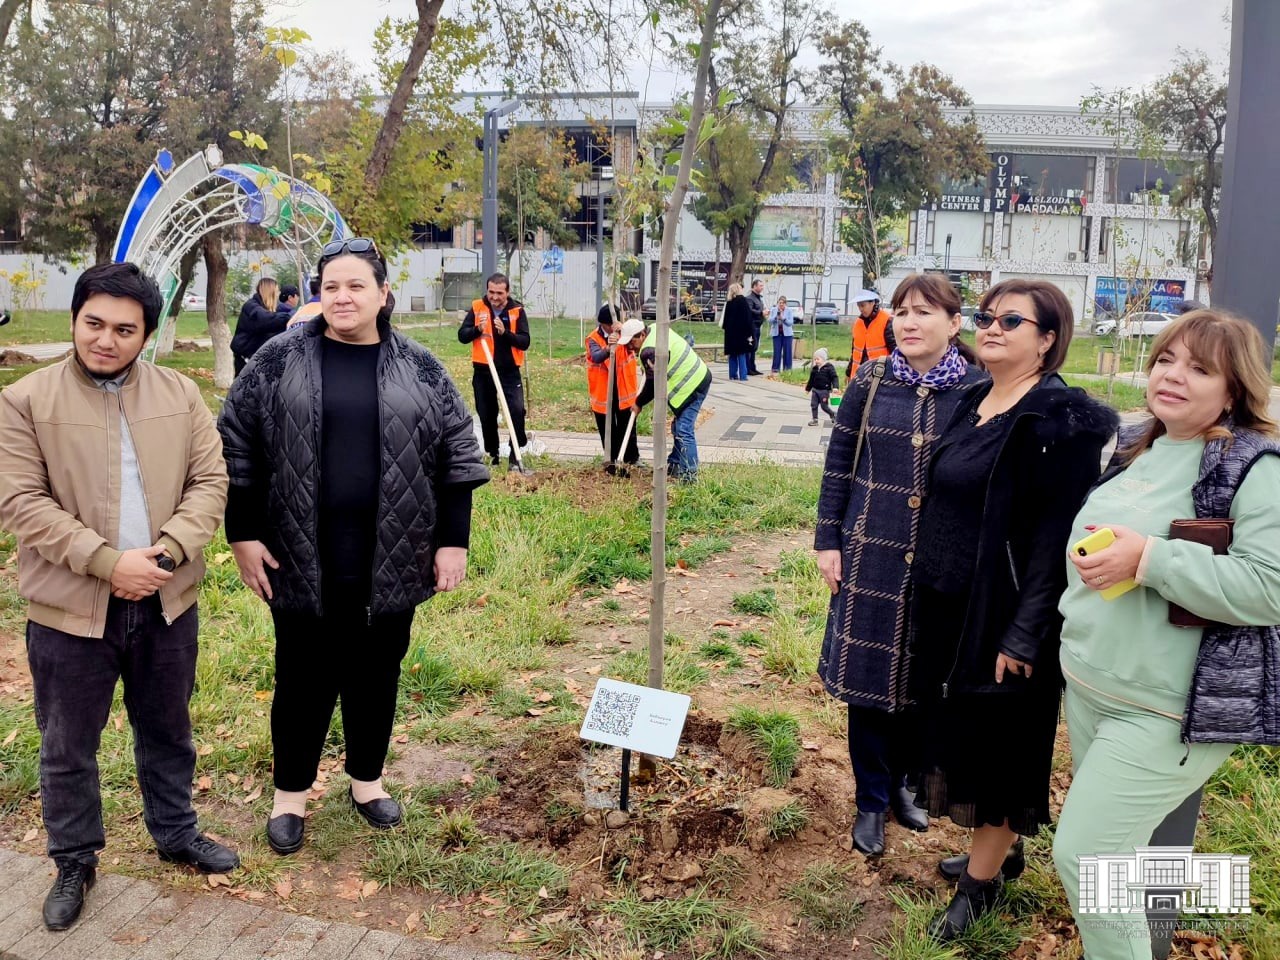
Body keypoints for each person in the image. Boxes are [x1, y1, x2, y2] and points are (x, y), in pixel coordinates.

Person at [218, 237, 489, 857]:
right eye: (331, 287)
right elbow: (238, 447)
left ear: (383, 293)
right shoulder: (278, 360)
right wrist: (242, 534)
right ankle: (290, 796)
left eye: (356, 285)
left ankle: (367, 781)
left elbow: (457, 457)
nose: (342, 297)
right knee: (301, 678)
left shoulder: (420, 368)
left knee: (376, 674)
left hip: (393, 554)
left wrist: (453, 542)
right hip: (298, 555)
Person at [0, 262, 237, 932]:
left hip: (165, 598)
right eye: (94, 323)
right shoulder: (26, 400)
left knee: (167, 728)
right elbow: (21, 502)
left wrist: (168, 552)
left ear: (147, 334)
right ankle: (74, 859)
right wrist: (108, 564)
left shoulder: (180, 394)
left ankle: (175, 832)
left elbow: (210, 481)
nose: (105, 340)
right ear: (76, 319)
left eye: (124, 330)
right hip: (69, 609)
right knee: (67, 744)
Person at [1053, 310, 1280, 960]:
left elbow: (1269, 587)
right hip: (1093, 687)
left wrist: (1149, 559)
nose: (1172, 376)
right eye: (1164, 360)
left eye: (1199, 368)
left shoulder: (1254, 467)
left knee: (1085, 854)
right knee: (1118, 862)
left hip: (1167, 709)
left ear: (1234, 389)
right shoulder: (1140, 445)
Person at [909, 279, 1118, 941]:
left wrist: (1025, 633)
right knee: (963, 737)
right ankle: (1000, 852)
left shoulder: (1061, 421)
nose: (991, 329)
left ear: (1047, 339)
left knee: (999, 752)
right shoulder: (975, 397)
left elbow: (1056, 539)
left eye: (1010, 321)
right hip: (950, 604)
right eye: (986, 317)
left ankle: (979, 889)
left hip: (1005, 615)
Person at [816, 273, 986, 859]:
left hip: (941, 562)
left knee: (922, 680)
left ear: (954, 324)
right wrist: (828, 540)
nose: (908, 322)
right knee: (867, 684)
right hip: (870, 553)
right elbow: (840, 462)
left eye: (923, 312)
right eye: (902, 311)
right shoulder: (871, 380)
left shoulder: (978, 390)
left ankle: (905, 788)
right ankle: (870, 799)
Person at [626, 318, 712, 482]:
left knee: (683, 430)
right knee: (678, 427)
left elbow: (653, 384)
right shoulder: (654, 329)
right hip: (697, 377)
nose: (630, 347)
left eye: (632, 342)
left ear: (642, 334)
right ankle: (674, 465)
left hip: (692, 384)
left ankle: (689, 476)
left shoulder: (649, 351)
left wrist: (638, 403)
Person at [458, 272, 530, 468]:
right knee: (486, 414)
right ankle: (493, 454)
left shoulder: (517, 311)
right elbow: (462, 336)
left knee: (516, 410)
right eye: (491, 292)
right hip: (483, 371)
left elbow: (525, 341)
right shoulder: (477, 307)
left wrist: (505, 333)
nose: (494, 297)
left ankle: (515, 452)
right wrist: (477, 330)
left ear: (507, 292)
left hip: (509, 371)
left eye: (499, 293)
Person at [586, 303, 641, 467]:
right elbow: (596, 357)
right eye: (609, 325)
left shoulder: (624, 333)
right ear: (603, 324)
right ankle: (611, 460)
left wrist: (623, 332)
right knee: (607, 427)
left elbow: (635, 346)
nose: (612, 328)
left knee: (628, 425)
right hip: (603, 392)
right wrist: (608, 347)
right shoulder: (593, 338)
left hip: (624, 389)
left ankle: (632, 459)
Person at [231, 277, 289, 375]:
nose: (278, 294)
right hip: (245, 360)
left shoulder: (265, 308)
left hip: (257, 358)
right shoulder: (251, 307)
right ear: (270, 292)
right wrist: (288, 317)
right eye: (277, 291)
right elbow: (267, 320)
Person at [847, 288, 895, 379]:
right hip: (858, 376)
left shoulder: (886, 320)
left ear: (872, 303)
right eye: (858, 306)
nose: (860, 309)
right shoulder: (858, 323)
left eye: (863, 305)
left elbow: (895, 351)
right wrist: (848, 373)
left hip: (880, 376)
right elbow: (855, 351)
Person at [722, 282, 754, 381]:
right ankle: (743, 375)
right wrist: (750, 331)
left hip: (730, 333)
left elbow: (725, 319)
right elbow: (747, 317)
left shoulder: (729, 302)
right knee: (741, 354)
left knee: (732, 354)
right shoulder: (742, 301)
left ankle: (733, 375)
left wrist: (726, 329)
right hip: (741, 332)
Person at [803, 347, 840, 425]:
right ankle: (815, 420)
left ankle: (833, 414)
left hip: (824, 391)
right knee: (813, 404)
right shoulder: (815, 369)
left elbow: (834, 377)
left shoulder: (829, 368)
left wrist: (835, 387)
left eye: (818, 359)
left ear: (823, 359)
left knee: (824, 406)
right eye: (815, 359)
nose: (816, 361)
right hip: (815, 390)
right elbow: (811, 380)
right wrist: (808, 389)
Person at [767, 295, 795, 376]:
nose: (781, 304)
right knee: (777, 351)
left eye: (783, 303)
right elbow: (769, 320)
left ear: (785, 304)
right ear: (778, 303)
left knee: (787, 352)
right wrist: (776, 317)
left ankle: (787, 368)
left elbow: (790, 323)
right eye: (780, 303)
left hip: (787, 335)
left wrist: (783, 319)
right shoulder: (774, 309)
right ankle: (775, 368)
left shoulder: (789, 310)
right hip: (777, 334)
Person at [745, 279, 766, 375]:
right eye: (760, 286)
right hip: (751, 326)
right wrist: (761, 313)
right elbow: (749, 310)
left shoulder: (759, 298)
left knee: (754, 347)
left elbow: (759, 309)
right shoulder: (749, 298)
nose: (762, 287)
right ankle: (748, 368)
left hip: (758, 326)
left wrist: (764, 314)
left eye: (762, 286)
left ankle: (753, 368)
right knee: (750, 347)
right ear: (754, 286)